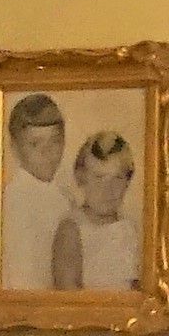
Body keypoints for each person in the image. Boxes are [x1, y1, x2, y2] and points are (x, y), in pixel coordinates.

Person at [0, 88, 73, 289]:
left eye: (55, 141)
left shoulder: (63, 198)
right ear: (15, 148)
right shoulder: (15, 202)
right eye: (35, 144)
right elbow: (23, 278)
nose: (48, 152)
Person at [60, 119, 142, 292]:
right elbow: (67, 295)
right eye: (99, 178)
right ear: (81, 178)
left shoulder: (129, 230)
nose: (107, 189)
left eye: (117, 179)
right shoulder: (73, 229)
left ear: (127, 182)